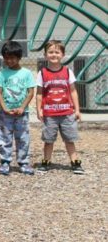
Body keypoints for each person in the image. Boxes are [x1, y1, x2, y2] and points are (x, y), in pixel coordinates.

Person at [36, 40, 84, 174]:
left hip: (67, 113)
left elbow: (73, 91)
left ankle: (75, 162)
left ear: (62, 54)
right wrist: (39, 109)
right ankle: (46, 161)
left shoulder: (68, 72)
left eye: (57, 52)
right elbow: (39, 94)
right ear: (45, 55)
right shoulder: (43, 73)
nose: (54, 55)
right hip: (50, 114)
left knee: (70, 139)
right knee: (48, 140)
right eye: (50, 52)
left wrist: (77, 109)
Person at [0, 41, 36, 176]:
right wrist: (4, 108)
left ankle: (23, 162)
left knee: (23, 137)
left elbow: (30, 92)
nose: (9, 60)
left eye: (12, 57)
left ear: (19, 57)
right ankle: (5, 161)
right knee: (4, 137)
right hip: (6, 113)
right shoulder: (2, 73)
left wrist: (23, 107)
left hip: (22, 113)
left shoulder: (27, 73)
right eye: (6, 58)